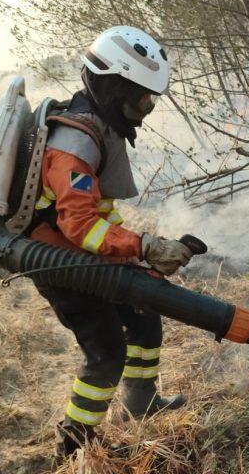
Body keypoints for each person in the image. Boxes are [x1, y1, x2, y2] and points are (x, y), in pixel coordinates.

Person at [28, 26, 194, 458]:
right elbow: (81, 225)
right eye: (143, 98)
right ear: (116, 86)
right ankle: (74, 448)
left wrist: (136, 254)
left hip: (81, 255)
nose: (147, 108)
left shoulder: (98, 127)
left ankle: (140, 404)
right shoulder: (75, 143)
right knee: (106, 354)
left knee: (144, 315)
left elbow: (98, 213)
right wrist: (142, 247)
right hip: (58, 264)